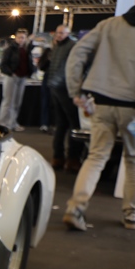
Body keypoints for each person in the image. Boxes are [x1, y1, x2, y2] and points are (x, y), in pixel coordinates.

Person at [63, 0, 135, 232]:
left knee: (96, 156)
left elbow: (77, 54)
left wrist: (76, 90)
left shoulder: (108, 25)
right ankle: (132, 215)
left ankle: (75, 208)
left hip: (102, 104)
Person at [43, 25, 81, 170]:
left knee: (62, 124)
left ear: (67, 33)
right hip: (65, 88)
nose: (59, 35)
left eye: (61, 33)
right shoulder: (71, 46)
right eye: (58, 33)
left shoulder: (58, 47)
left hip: (55, 86)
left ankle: (58, 158)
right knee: (73, 124)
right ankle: (71, 159)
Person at [0, 29, 35, 132]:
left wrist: (31, 71)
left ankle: (13, 123)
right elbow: (3, 64)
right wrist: (11, 73)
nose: (20, 39)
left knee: (17, 102)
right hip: (12, 77)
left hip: (22, 77)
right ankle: (3, 124)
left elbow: (28, 62)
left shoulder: (27, 49)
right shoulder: (10, 49)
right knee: (8, 101)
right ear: (16, 37)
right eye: (19, 37)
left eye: (23, 37)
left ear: (26, 38)